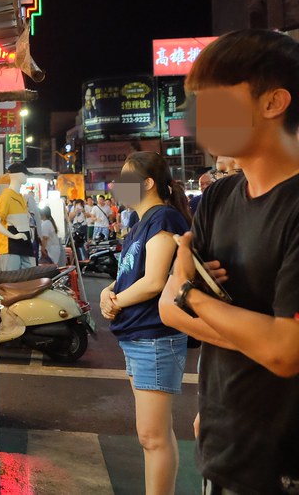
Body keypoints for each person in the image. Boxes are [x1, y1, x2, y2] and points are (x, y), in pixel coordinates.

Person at [158, 30, 299, 495]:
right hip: (222, 447)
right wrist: (254, 334)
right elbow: (167, 308)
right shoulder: (219, 197)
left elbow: (285, 352)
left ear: (273, 102)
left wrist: (193, 294)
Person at [100, 152, 192, 495]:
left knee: (153, 437)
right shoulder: (143, 221)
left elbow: (154, 282)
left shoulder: (163, 219)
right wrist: (108, 292)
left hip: (155, 337)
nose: (117, 186)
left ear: (148, 183)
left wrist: (114, 302)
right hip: (140, 336)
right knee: (154, 435)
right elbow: (130, 275)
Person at [0, 162, 35, 272]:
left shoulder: (20, 198)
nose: (26, 176)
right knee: (12, 278)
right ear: (17, 175)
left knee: (28, 277)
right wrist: (13, 236)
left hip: (24, 243)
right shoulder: (6, 197)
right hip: (10, 246)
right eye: (25, 174)